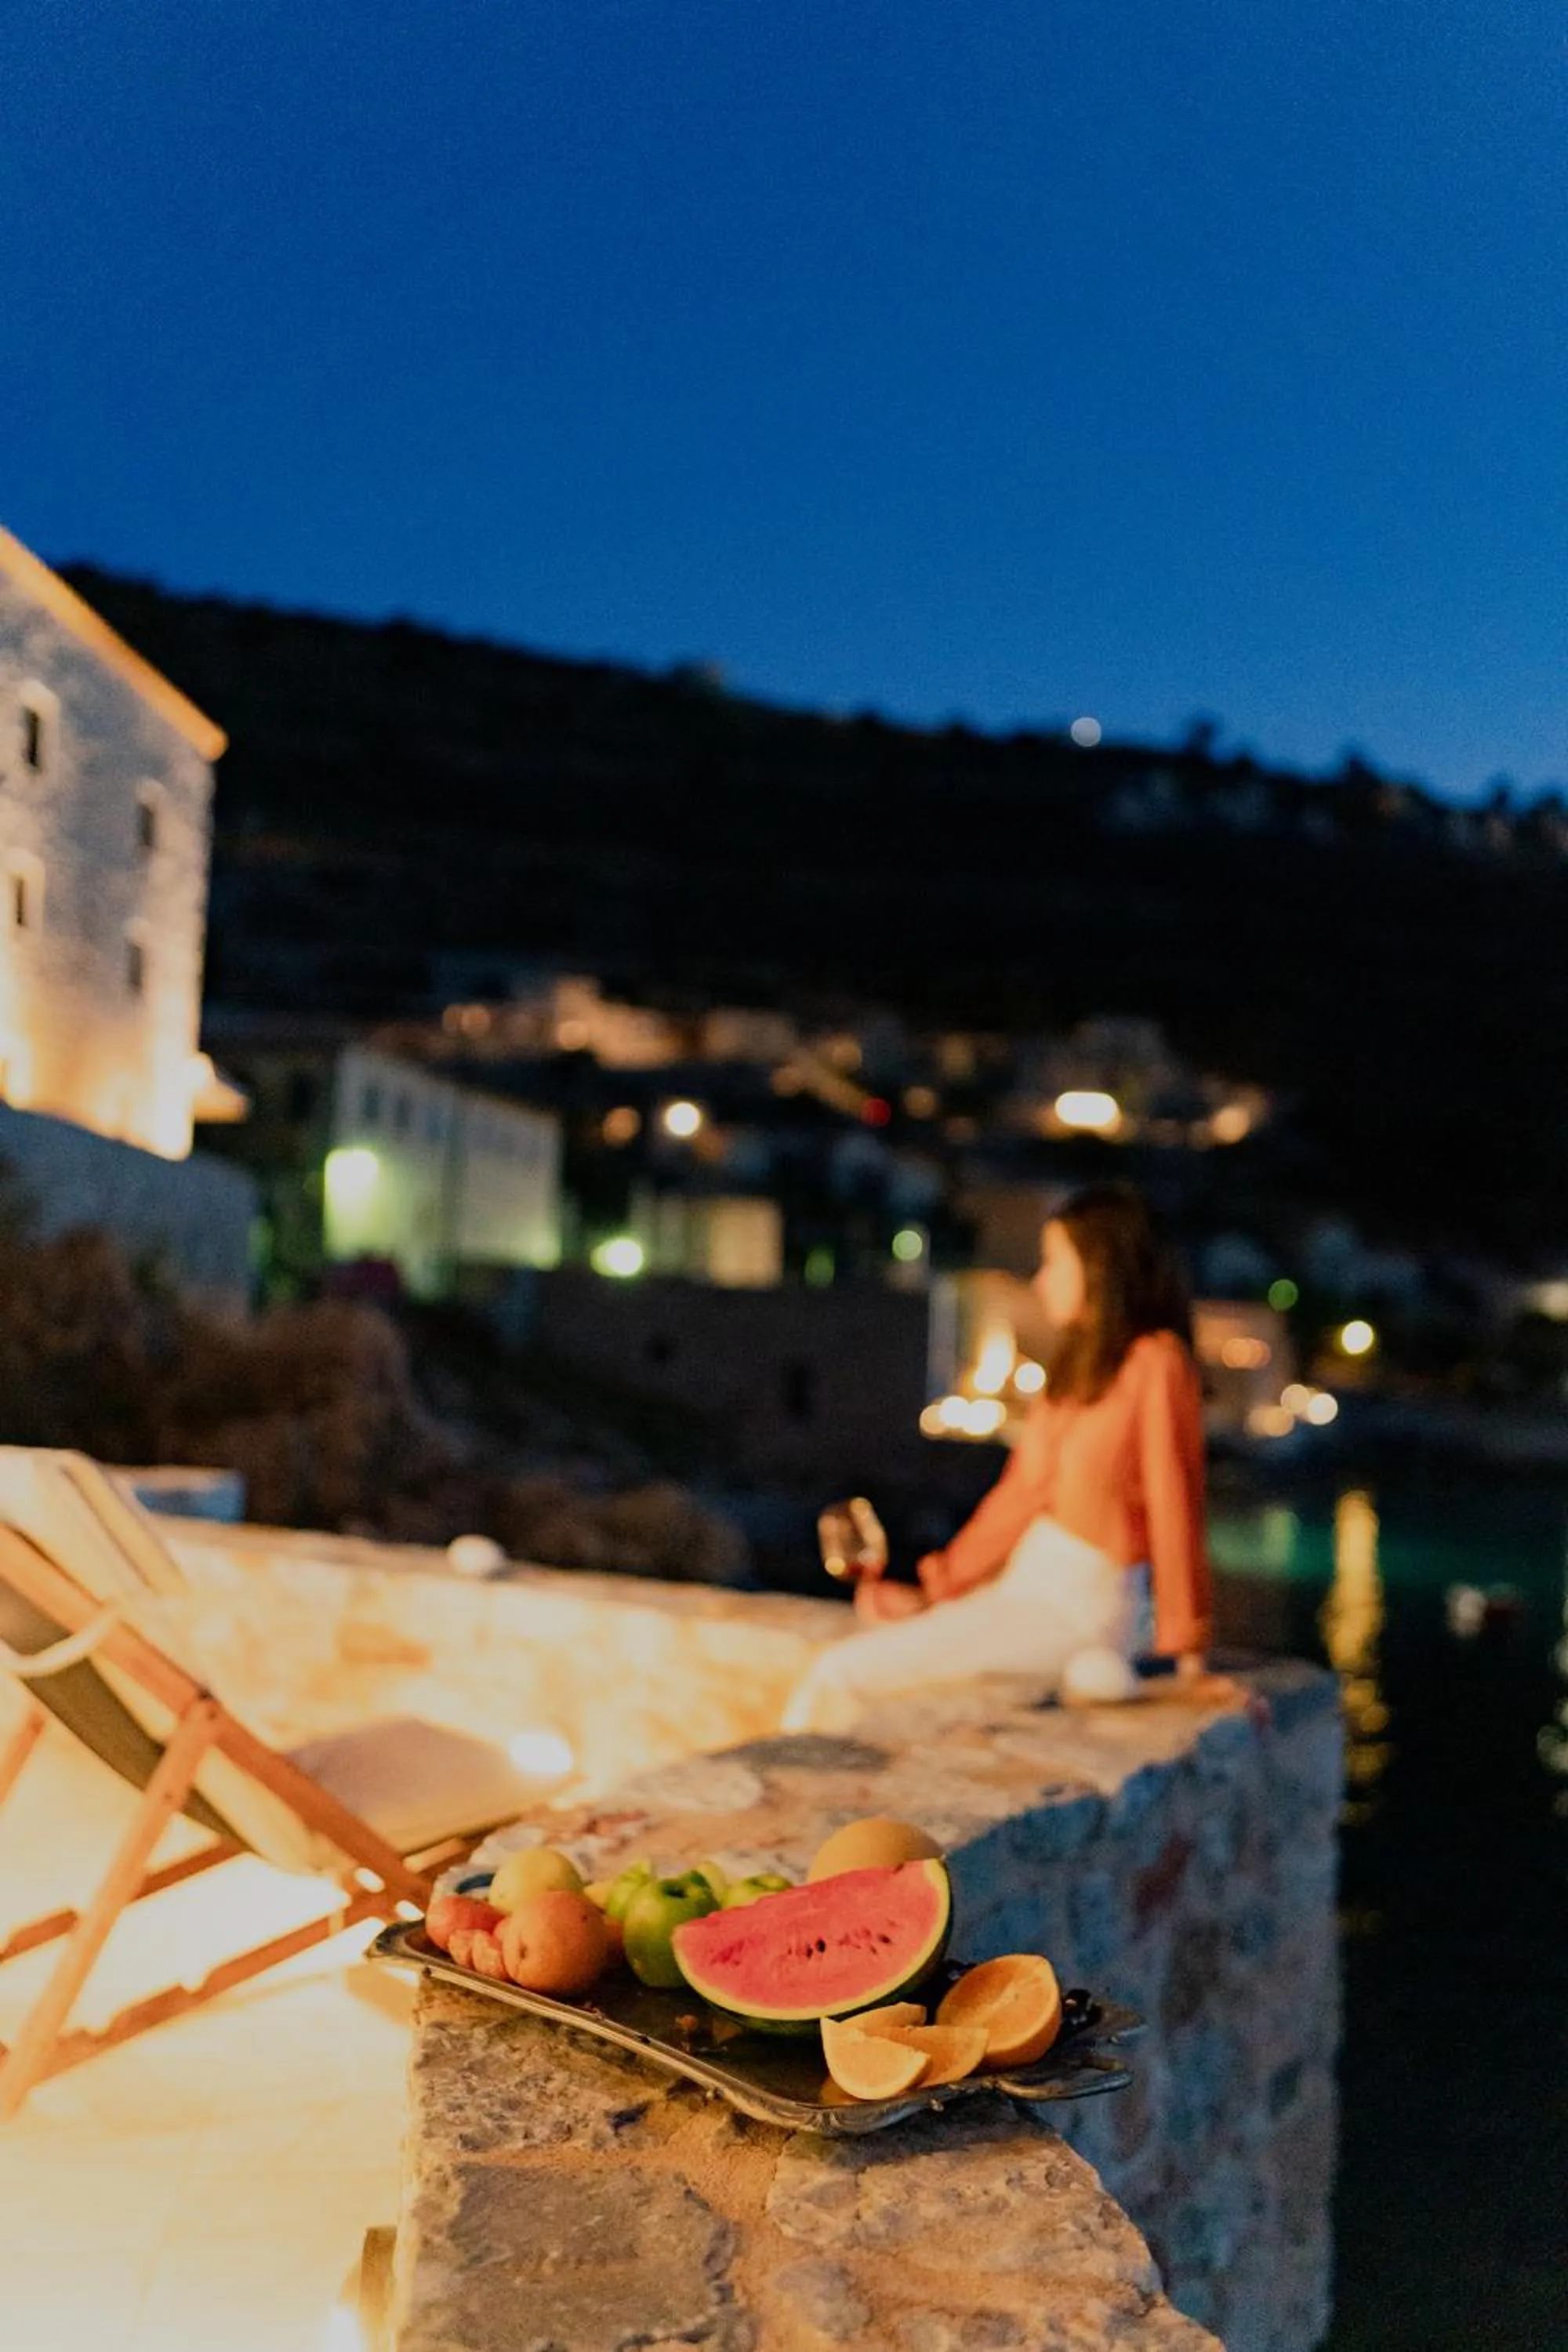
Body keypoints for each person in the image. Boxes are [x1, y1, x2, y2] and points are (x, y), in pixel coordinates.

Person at [782, 1183, 1218, 1735]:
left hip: (1082, 1606)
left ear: (1101, 1267)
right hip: (1024, 1583)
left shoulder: (1156, 1363)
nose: (1041, 1280)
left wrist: (1188, 1652)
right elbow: (1019, 1496)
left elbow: (1174, 1501)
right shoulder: (1074, 1371)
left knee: (841, 1671)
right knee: (855, 1659)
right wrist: (935, 1589)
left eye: (1055, 1263)